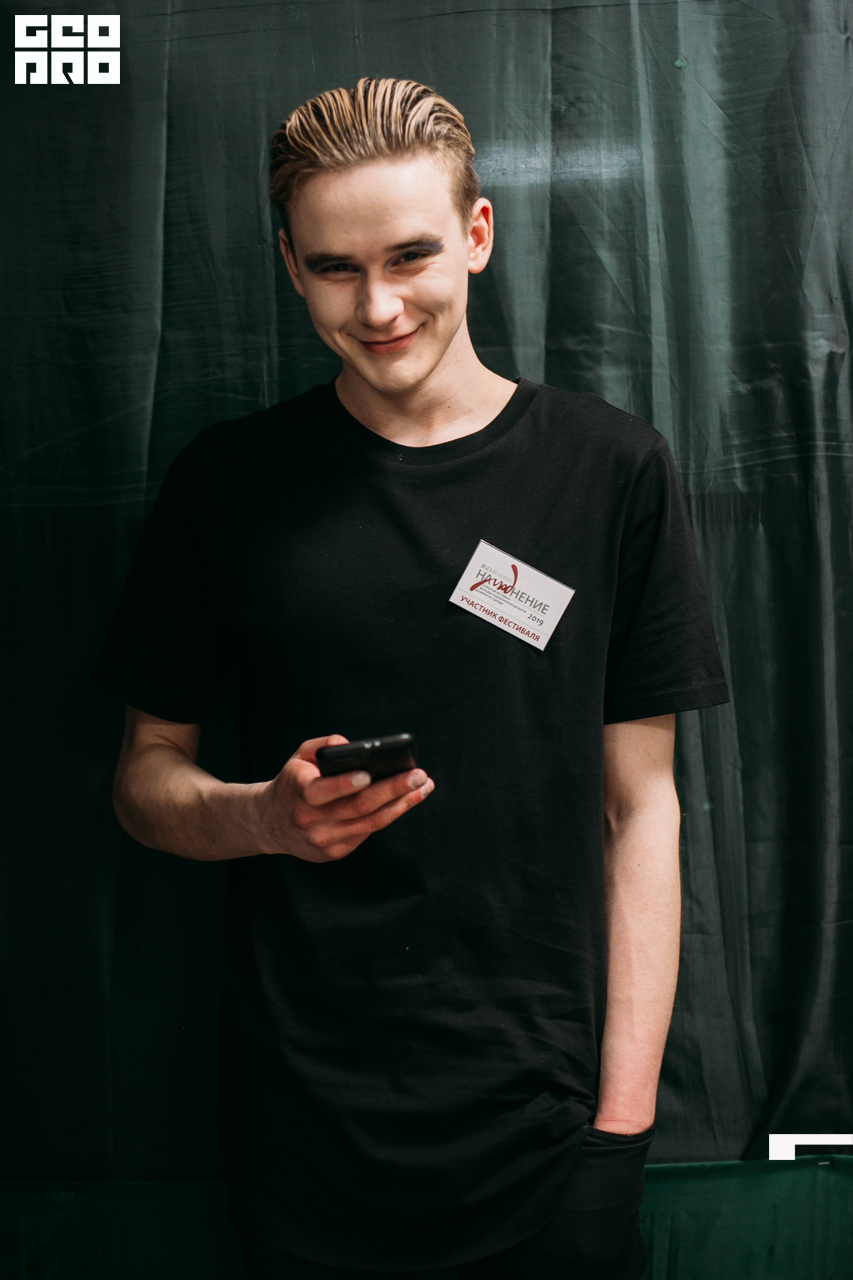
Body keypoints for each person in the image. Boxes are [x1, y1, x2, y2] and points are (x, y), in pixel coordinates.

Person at [97, 77, 729, 1279]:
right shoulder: (227, 484)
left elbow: (640, 807)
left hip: (547, 1130)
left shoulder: (610, 472)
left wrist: (618, 1134)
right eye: (336, 268)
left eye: (410, 256)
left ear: (477, 235)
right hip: (301, 1129)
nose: (378, 306)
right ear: (289, 266)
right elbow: (143, 777)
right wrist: (262, 817)